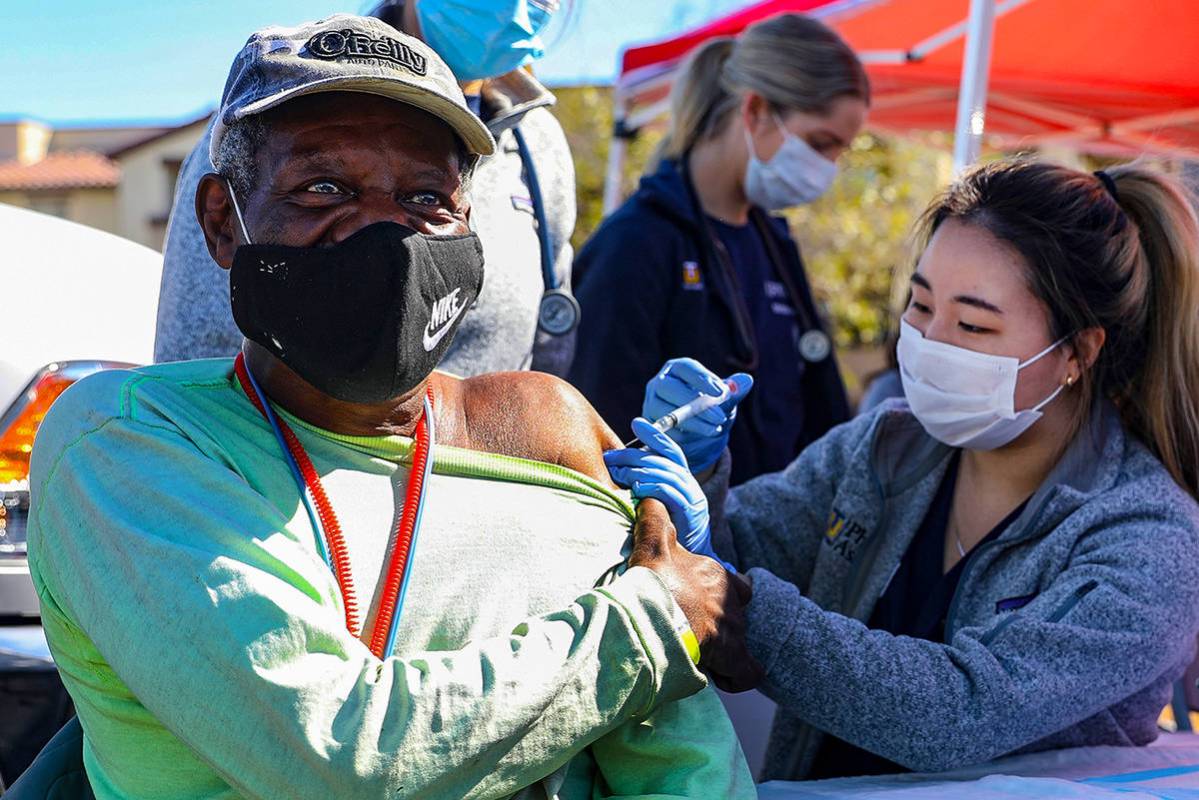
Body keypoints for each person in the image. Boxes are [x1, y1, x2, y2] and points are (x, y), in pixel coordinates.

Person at [25, 17, 759, 799]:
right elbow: (335, 757)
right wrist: (653, 622)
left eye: (424, 198)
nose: (382, 233)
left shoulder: (539, 434)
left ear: (468, 232)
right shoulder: (128, 443)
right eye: (324, 189)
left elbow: (680, 765)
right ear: (220, 222)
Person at [606, 158, 1199, 780]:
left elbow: (959, 712)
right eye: (919, 306)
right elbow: (733, 553)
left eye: (972, 324)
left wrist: (730, 598)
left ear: (1078, 352)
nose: (929, 342)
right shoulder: (888, 443)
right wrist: (694, 480)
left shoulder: (1151, 541)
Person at [154, 0, 579, 377]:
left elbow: (548, 338)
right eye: (324, 187)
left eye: (427, 196)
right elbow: (193, 366)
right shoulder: (268, 117)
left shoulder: (538, 143)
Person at [569, 13, 868, 486]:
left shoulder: (775, 243)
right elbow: (592, 428)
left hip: (769, 536)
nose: (828, 168)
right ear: (755, 112)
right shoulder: (637, 243)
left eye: (840, 151)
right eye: (820, 143)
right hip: (667, 542)